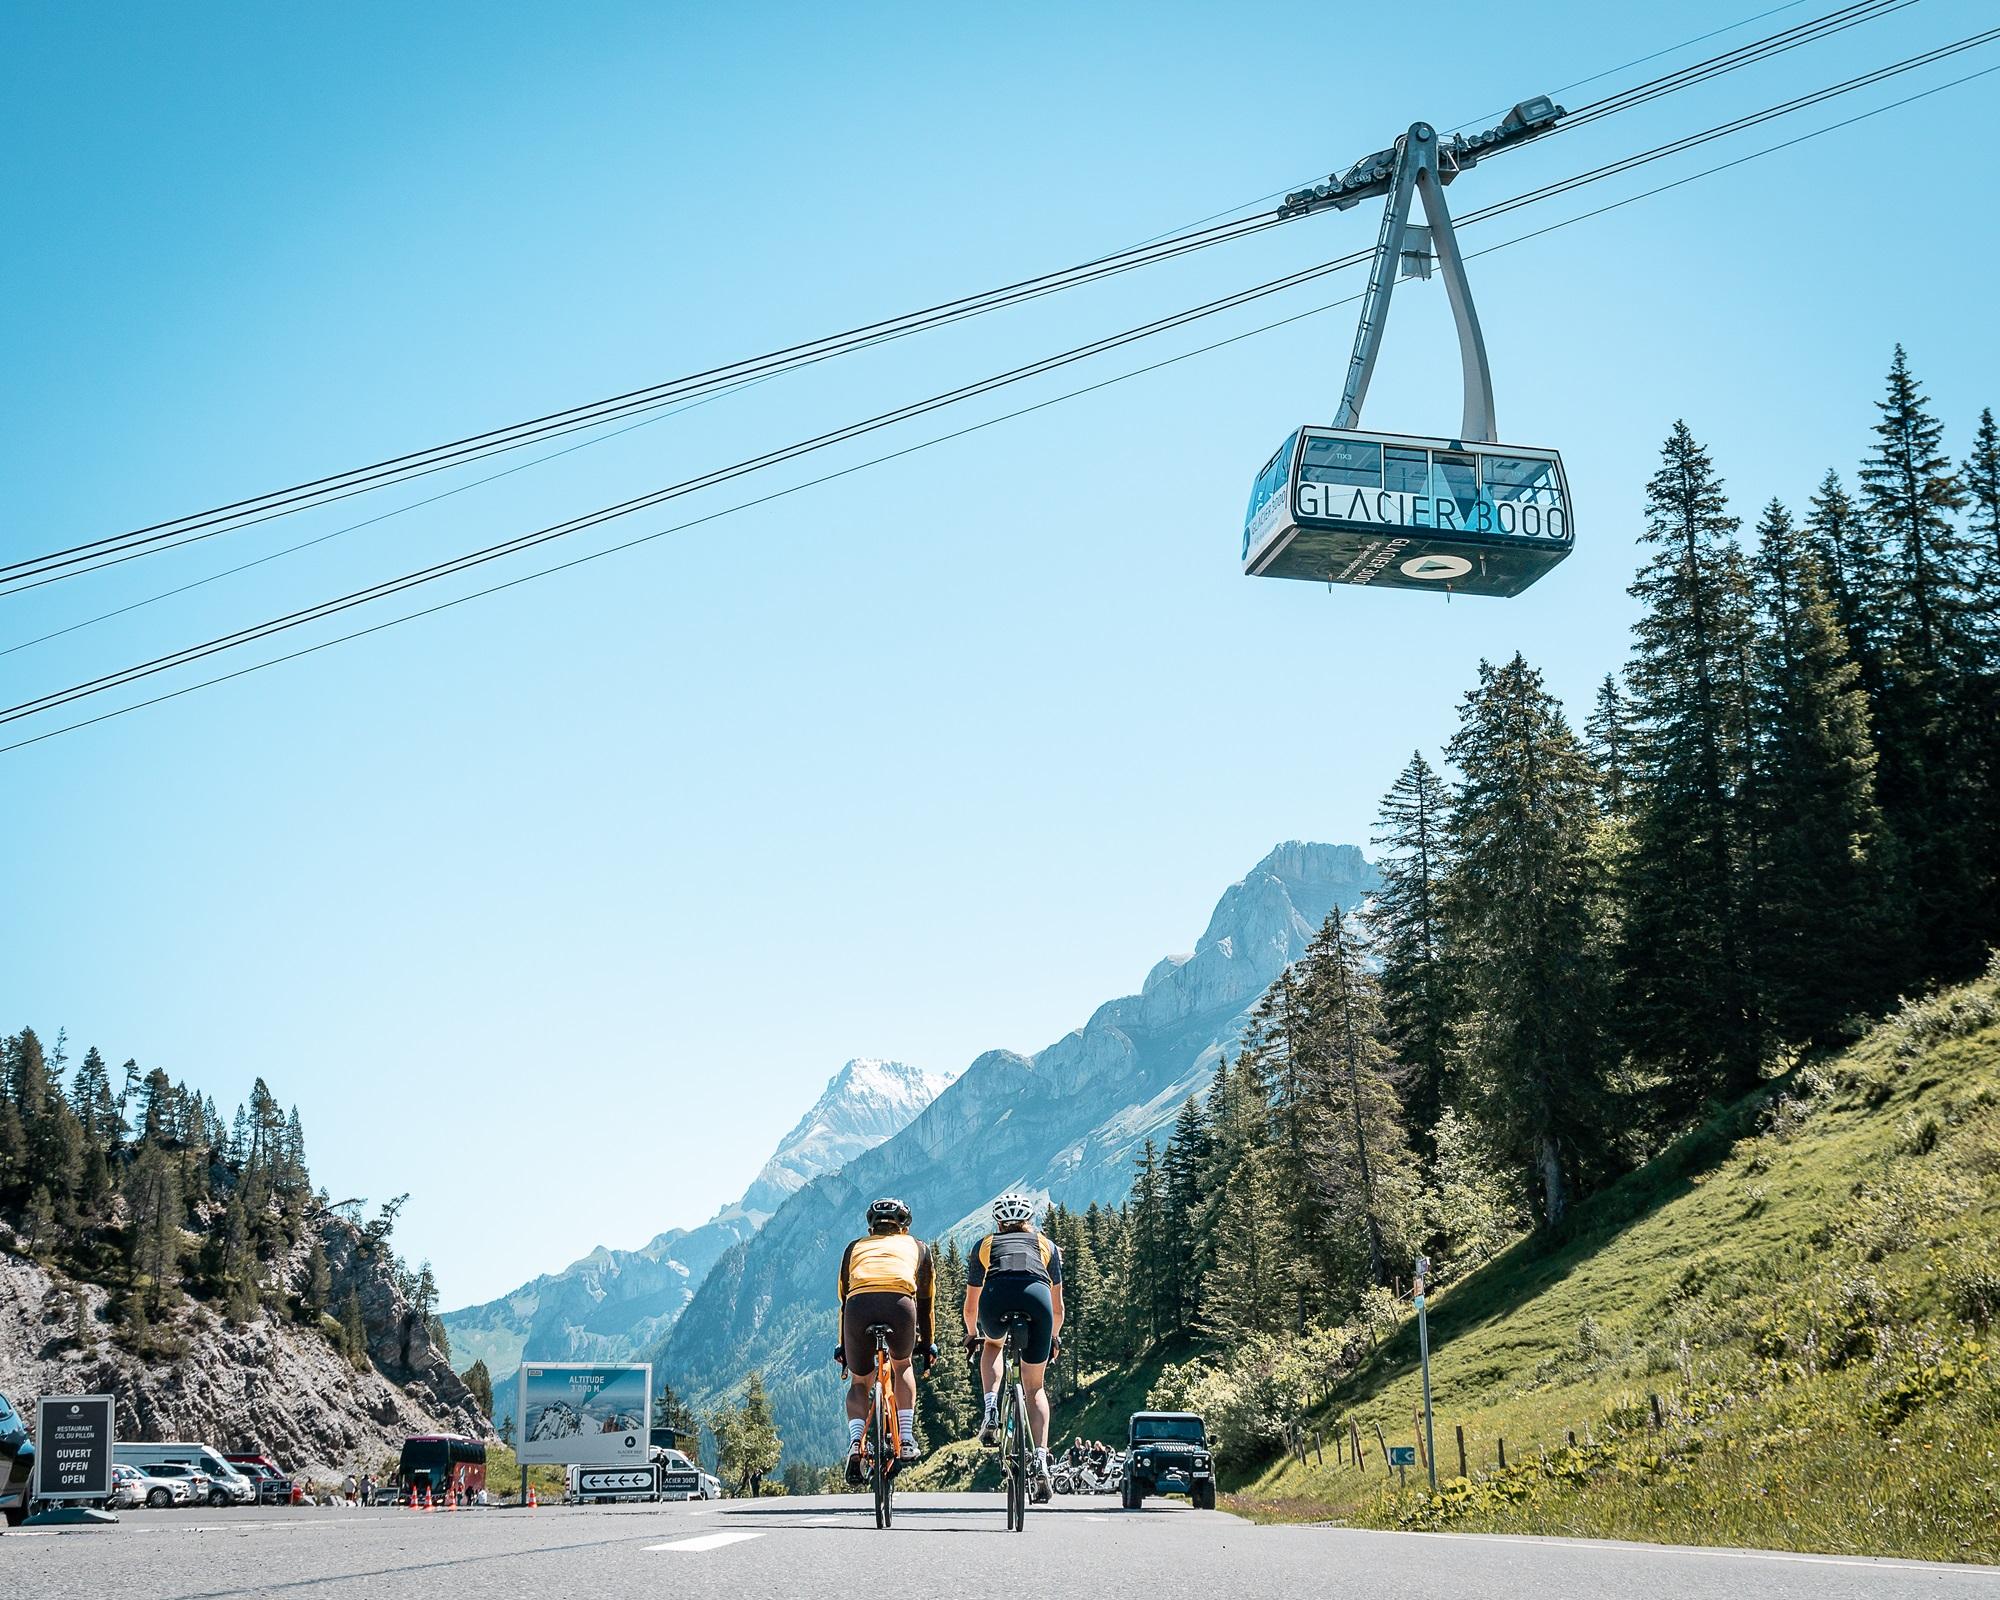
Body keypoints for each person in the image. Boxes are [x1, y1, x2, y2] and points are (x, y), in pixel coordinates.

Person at [964, 1192, 1064, 1500]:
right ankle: (1041, 1457)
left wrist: (972, 1335)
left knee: (992, 1344)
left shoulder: (984, 1245)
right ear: (1029, 1219)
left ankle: (991, 1406)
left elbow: (971, 1306)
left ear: (998, 1221)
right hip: (1038, 1301)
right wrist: (1053, 1337)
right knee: (1035, 1390)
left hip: (996, 1300)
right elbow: (1058, 1307)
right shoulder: (1047, 1246)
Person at [834, 1196, 936, 1484]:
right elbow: (926, 1300)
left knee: (859, 1382)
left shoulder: (853, 1248)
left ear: (871, 1227)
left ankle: (856, 1442)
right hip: (900, 1305)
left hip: (858, 1308)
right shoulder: (918, 1247)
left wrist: (844, 1346)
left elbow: (844, 1299)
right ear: (904, 1226)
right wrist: (927, 1343)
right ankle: (905, 1438)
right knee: (902, 1365)